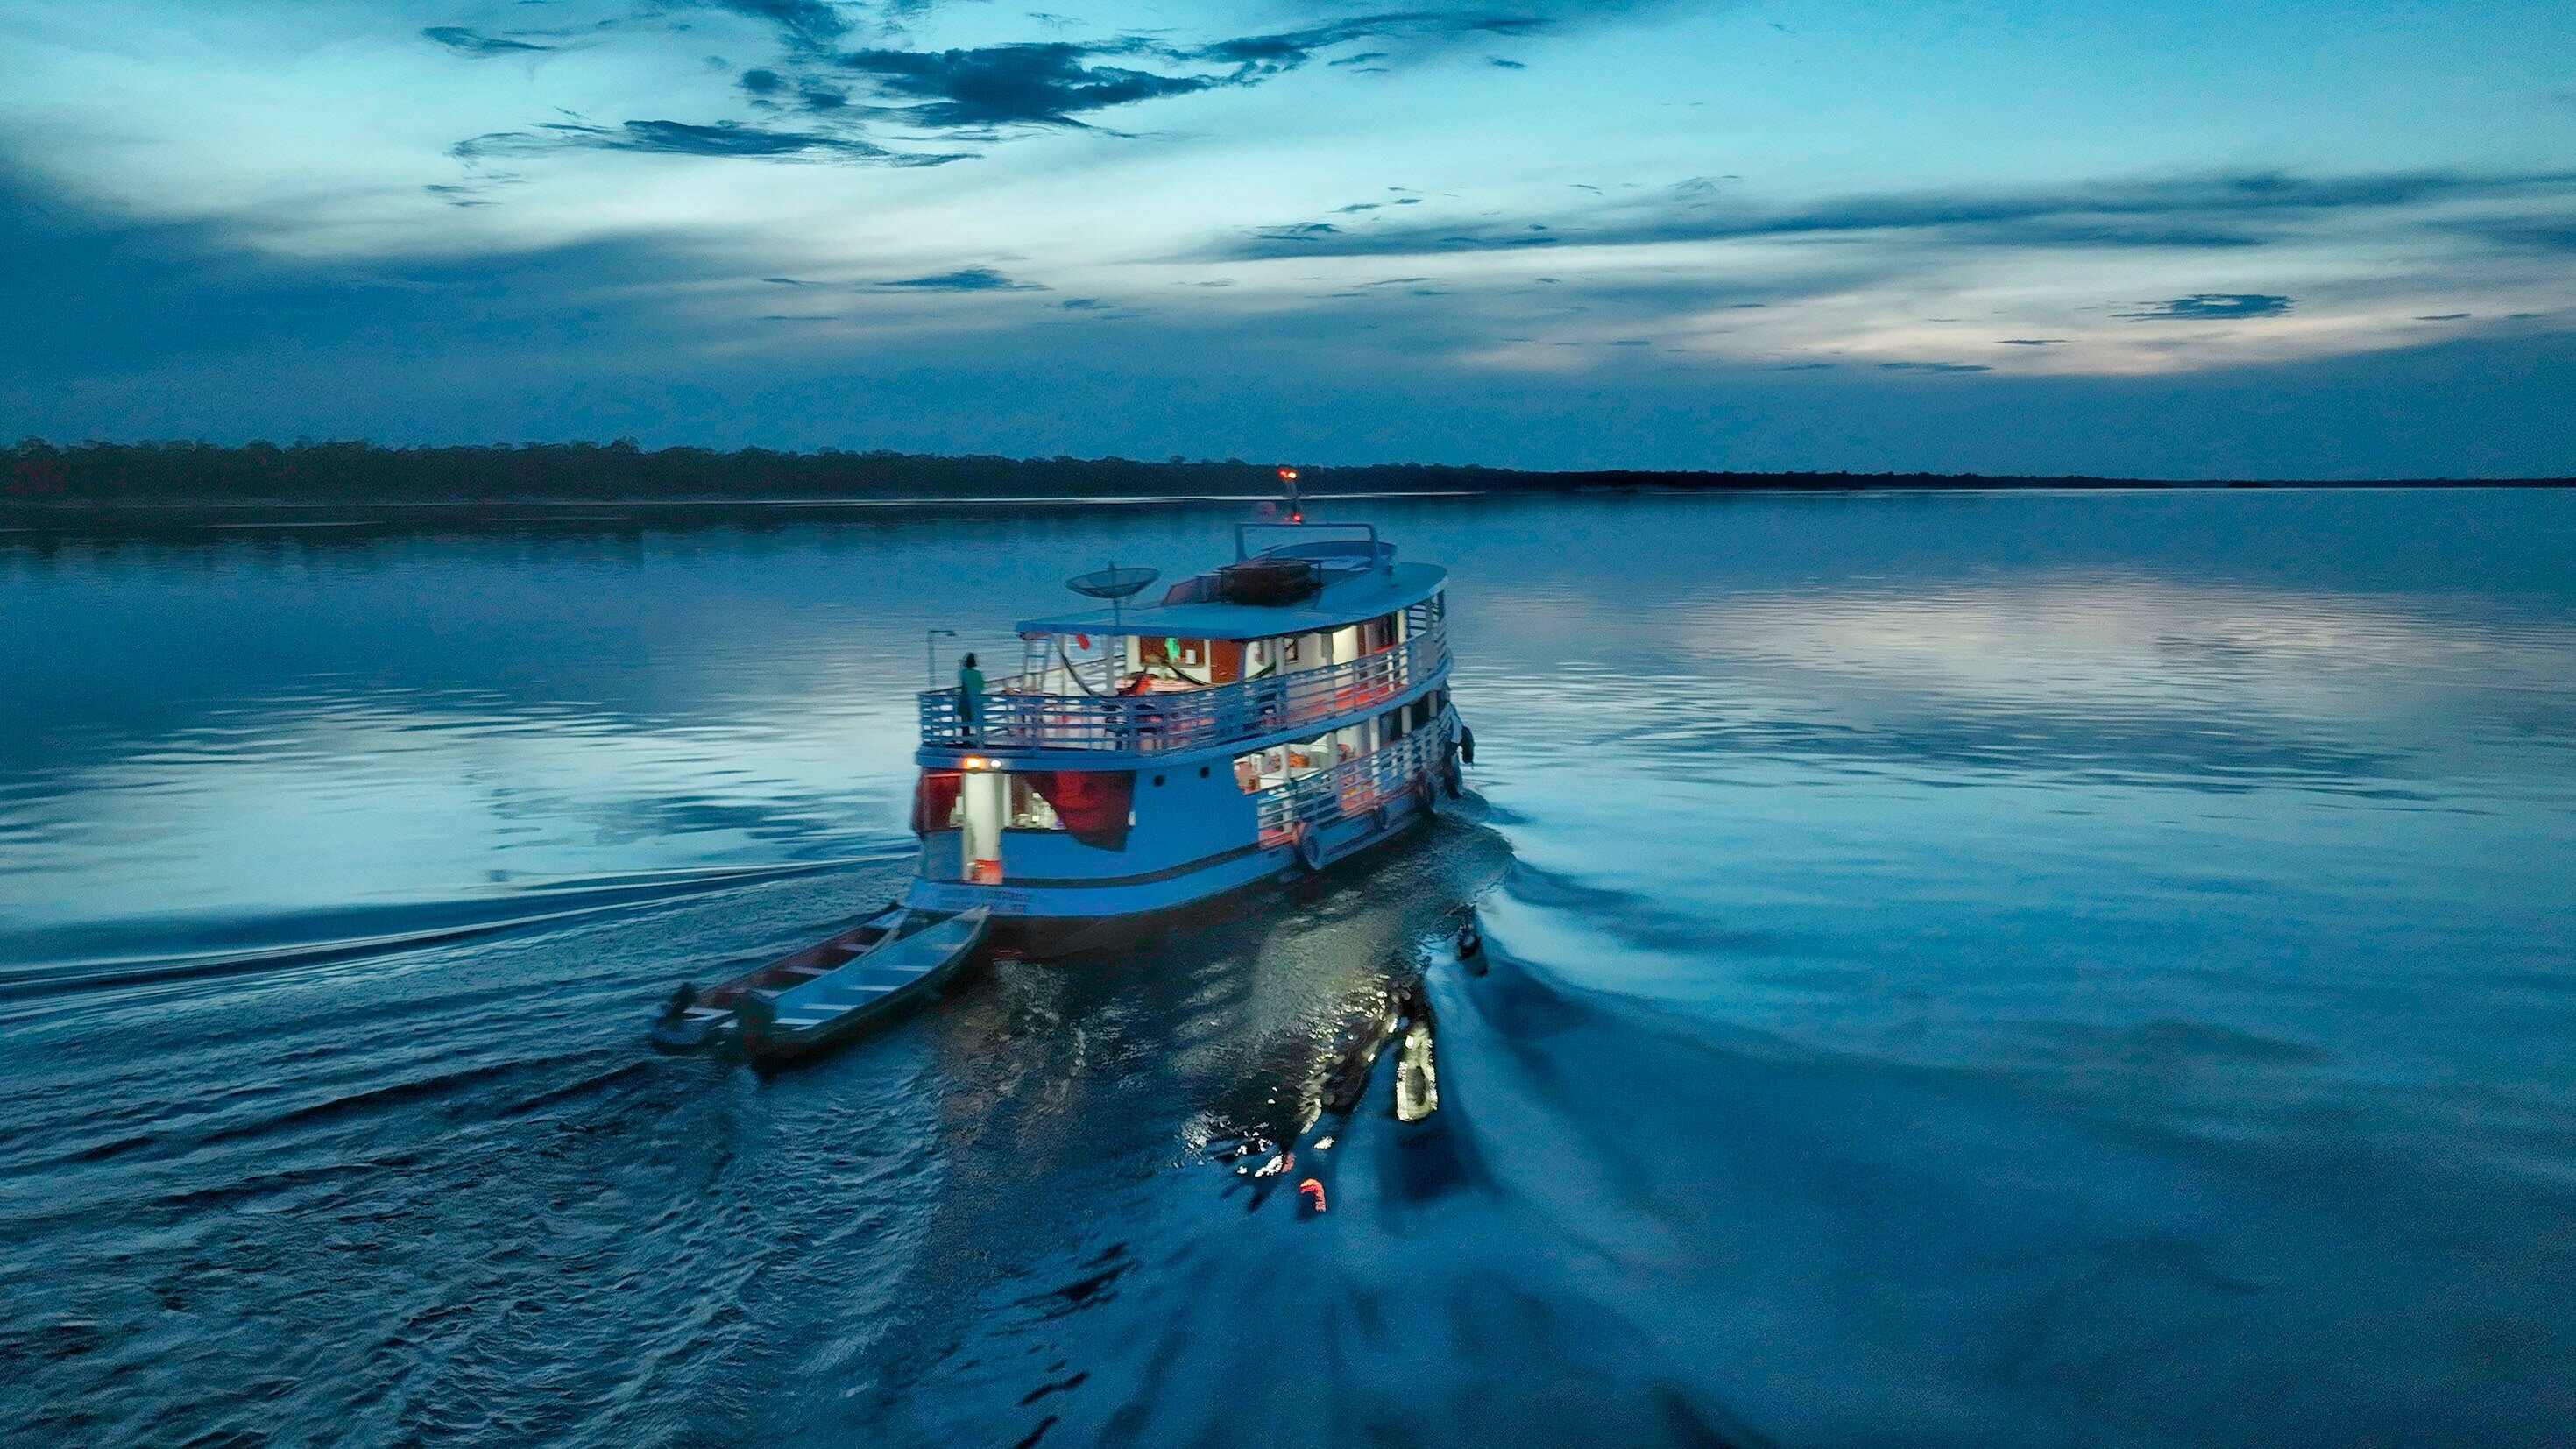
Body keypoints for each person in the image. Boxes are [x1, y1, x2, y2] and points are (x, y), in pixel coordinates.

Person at [957, 652, 985, 742]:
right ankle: (979, 739)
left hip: (965, 699)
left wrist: (961, 665)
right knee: (978, 720)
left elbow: (962, 682)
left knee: (965, 721)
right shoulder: (978, 673)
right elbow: (981, 686)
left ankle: (965, 739)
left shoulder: (963, 673)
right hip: (976, 699)